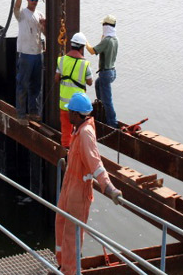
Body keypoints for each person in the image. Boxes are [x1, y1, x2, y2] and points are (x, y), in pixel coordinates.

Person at [54, 92, 121, 275]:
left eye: (70, 111)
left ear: (76, 114)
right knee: (60, 223)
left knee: (72, 235)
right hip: (69, 187)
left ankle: (70, 271)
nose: (67, 114)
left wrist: (109, 188)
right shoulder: (77, 130)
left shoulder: (85, 134)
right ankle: (61, 265)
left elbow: (96, 163)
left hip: (79, 192)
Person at [13, 0, 46, 125]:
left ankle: (33, 112)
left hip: (38, 55)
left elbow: (45, 34)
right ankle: (21, 114)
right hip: (26, 55)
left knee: (36, 86)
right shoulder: (22, 15)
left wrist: (44, 26)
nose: (34, 1)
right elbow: (16, 8)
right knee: (23, 84)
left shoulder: (39, 16)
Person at [55, 32, 93, 147]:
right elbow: (90, 82)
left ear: (71, 45)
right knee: (80, 129)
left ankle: (66, 152)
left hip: (64, 104)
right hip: (80, 106)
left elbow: (56, 79)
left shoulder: (61, 60)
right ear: (82, 48)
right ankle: (78, 150)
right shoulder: (85, 64)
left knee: (66, 130)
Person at [86, 14, 119, 128]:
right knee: (97, 83)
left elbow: (92, 51)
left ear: (106, 26)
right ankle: (101, 108)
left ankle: (112, 123)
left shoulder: (107, 41)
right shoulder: (115, 39)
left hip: (105, 73)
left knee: (107, 100)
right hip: (112, 72)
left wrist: (85, 42)